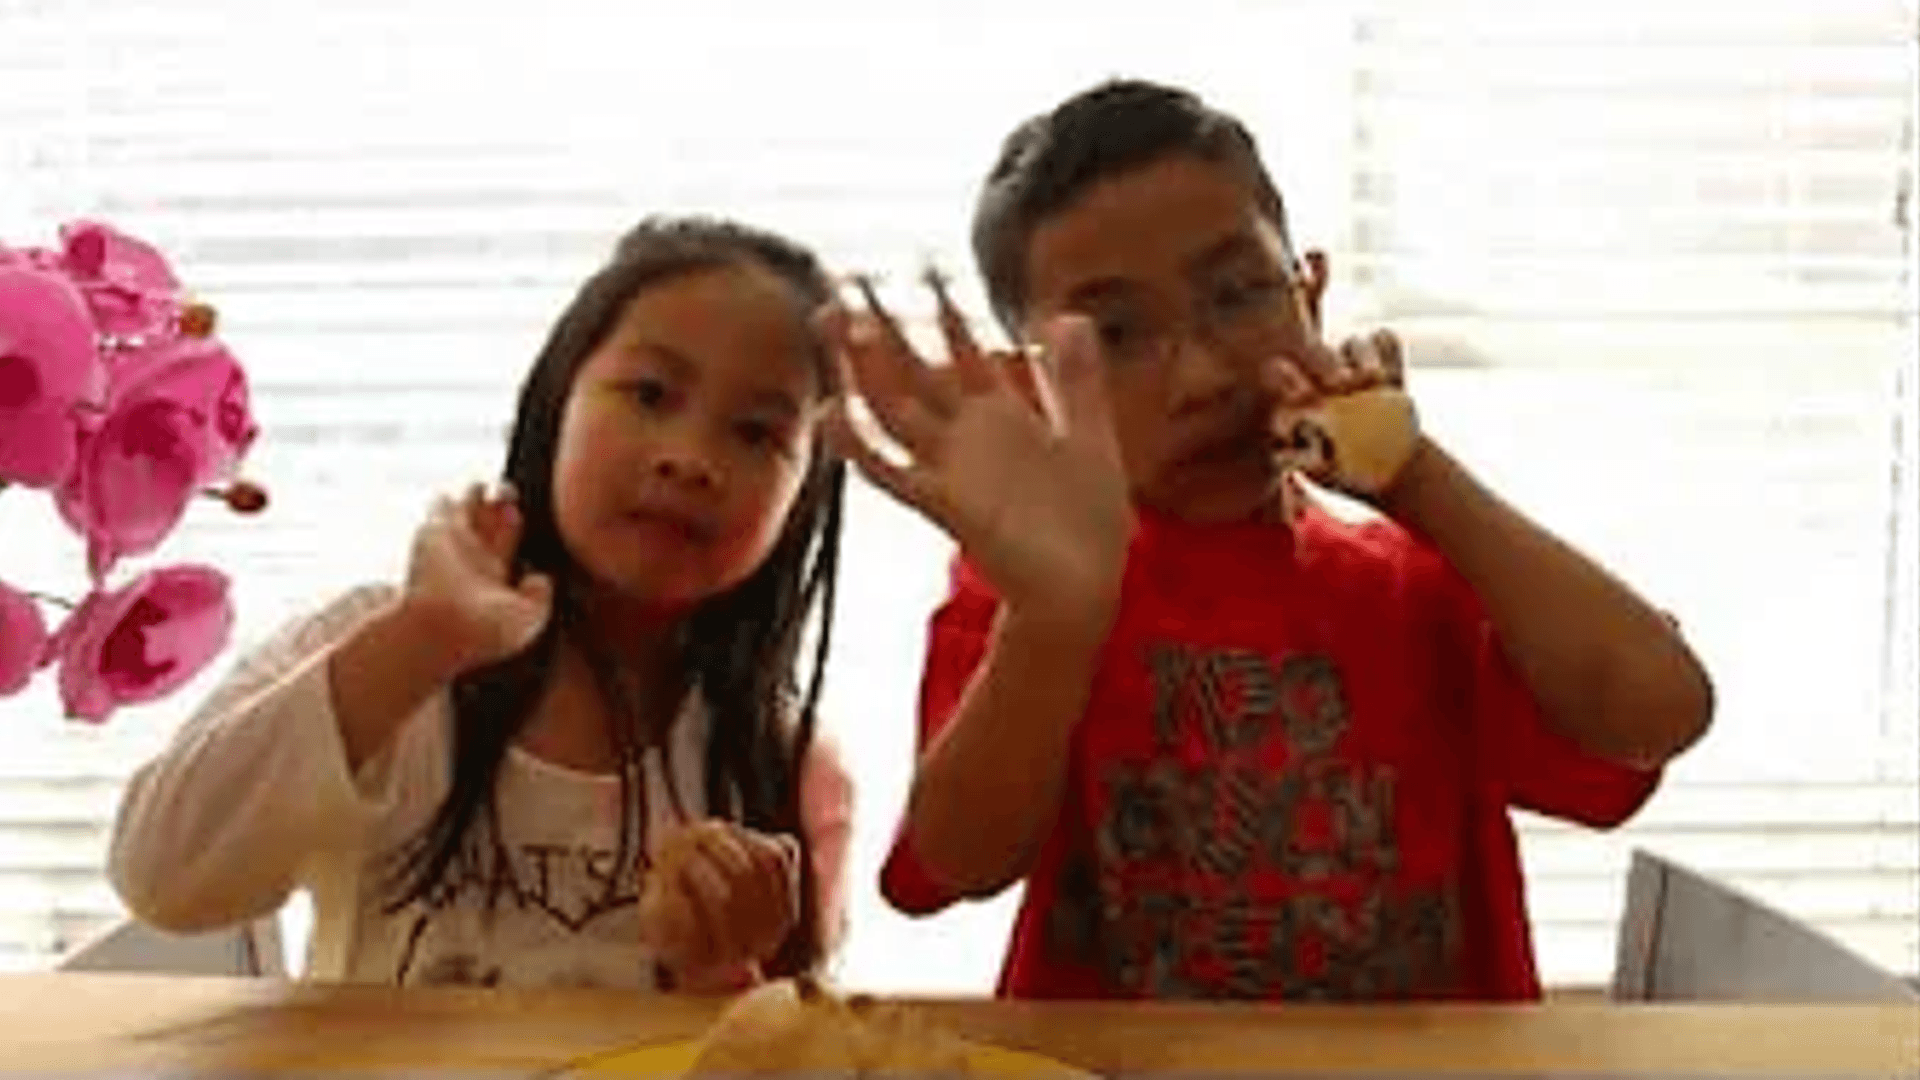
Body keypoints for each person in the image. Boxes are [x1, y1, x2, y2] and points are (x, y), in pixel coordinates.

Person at [828, 79, 1714, 1001]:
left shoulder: (1415, 586)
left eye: (1240, 293)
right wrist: (1053, 619)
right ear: (1037, 387)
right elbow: (952, 864)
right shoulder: (1028, 596)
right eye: (1118, 334)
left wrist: (1418, 477)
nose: (1206, 374)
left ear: (1312, 295)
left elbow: (1662, 712)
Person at [110, 216, 854, 992]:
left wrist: (722, 968)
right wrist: (420, 641)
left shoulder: (787, 766)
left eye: (757, 432)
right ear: (557, 400)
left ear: (805, 493)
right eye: (650, 393)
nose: (691, 458)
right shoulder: (386, 651)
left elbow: (791, 1050)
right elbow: (162, 877)